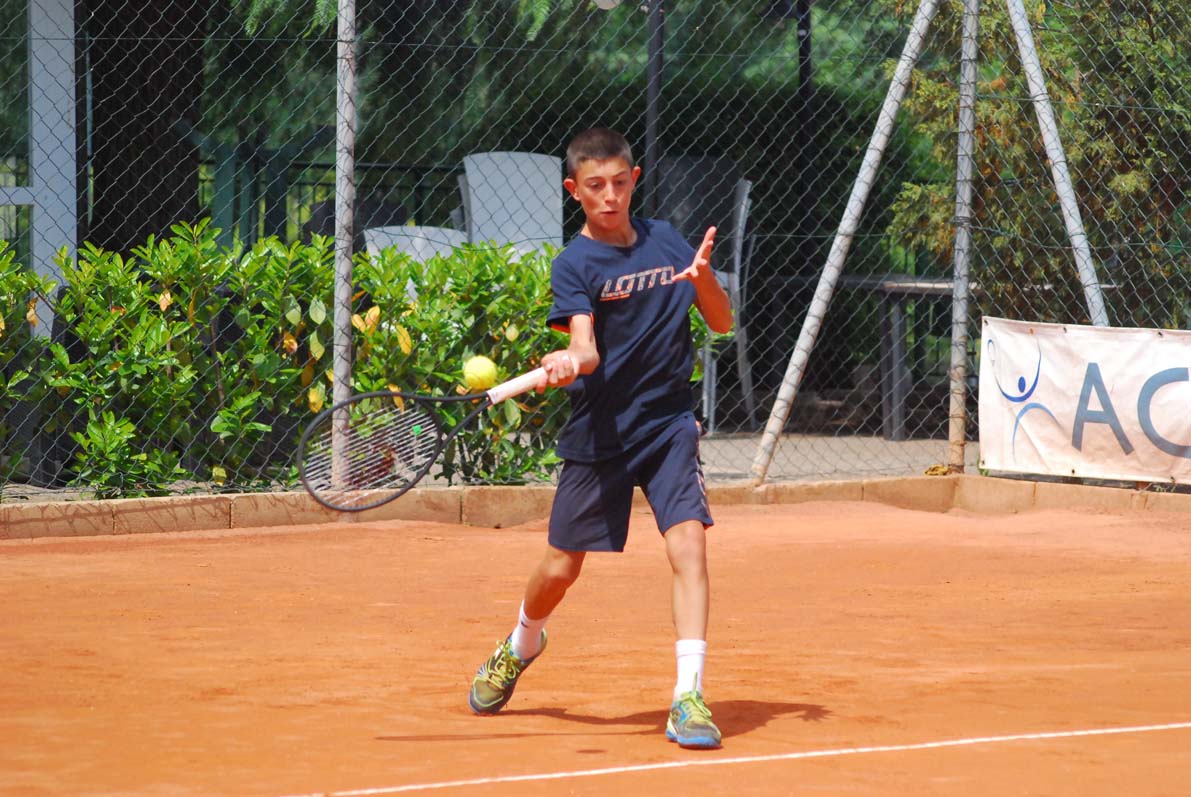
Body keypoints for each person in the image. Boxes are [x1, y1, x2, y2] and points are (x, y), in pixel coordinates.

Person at [466, 127, 734, 749]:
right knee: (561, 567)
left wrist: (702, 279)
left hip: (668, 424)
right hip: (602, 432)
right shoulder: (574, 264)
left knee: (689, 547)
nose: (609, 196)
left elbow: (720, 322)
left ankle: (688, 697)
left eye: (619, 183)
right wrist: (568, 360)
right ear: (574, 190)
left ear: (633, 180)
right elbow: (585, 349)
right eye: (595, 186)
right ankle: (521, 642)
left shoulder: (668, 241)